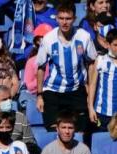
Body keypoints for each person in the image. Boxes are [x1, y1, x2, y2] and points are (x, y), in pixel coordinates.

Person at [36, 2, 96, 132]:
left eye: (68, 18)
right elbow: (40, 67)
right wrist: (39, 95)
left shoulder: (84, 37)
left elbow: (91, 63)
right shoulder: (48, 39)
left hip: (76, 90)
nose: (64, 22)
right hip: (53, 91)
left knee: (81, 130)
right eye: (61, 18)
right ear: (56, 18)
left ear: (74, 19)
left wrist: (89, 87)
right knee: (53, 130)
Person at [87, 29, 117, 131]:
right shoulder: (100, 60)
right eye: (115, 45)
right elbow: (93, 84)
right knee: (103, 141)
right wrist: (91, 108)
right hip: (102, 111)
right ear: (108, 44)